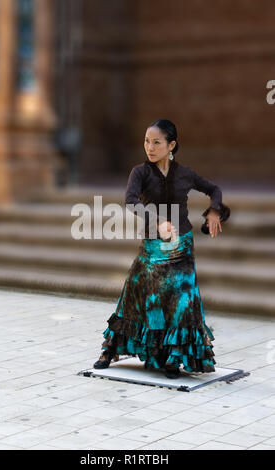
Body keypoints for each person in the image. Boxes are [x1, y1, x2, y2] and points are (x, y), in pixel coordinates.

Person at [93, 119, 230, 378]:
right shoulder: (140, 173)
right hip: (153, 247)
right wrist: (157, 220)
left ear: (171, 145)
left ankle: (172, 358)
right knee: (135, 295)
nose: (150, 147)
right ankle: (110, 350)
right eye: (146, 141)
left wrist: (214, 211)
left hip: (182, 248)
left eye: (156, 142)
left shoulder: (185, 173)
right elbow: (130, 201)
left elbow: (214, 189)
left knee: (182, 302)